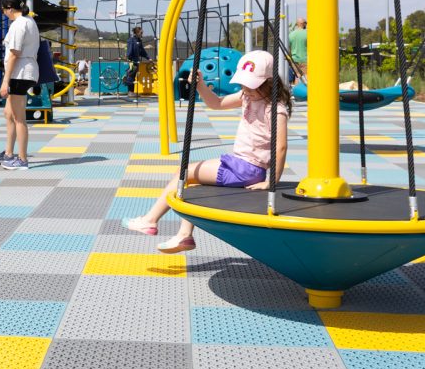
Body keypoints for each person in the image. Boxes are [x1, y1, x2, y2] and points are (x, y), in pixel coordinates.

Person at [124, 49, 290, 253]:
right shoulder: (247, 96)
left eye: (252, 85)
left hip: (248, 168)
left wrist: (271, 181)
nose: (246, 88)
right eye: (244, 84)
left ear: (269, 83)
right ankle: (184, 236)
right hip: (240, 164)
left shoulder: (275, 109)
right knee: (191, 184)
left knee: (184, 173)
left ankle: (150, 220)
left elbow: (281, 147)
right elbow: (217, 103)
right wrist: (200, 85)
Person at [0, 0, 39, 170]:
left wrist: (5, 81)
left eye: (4, 10)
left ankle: (22, 159)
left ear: (10, 9)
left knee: (19, 118)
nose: (4, 14)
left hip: (20, 73)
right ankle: (8, 152)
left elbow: (14, 53)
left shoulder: (19, 24)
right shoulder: (29, 21)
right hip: (25, 71)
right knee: (8, 113)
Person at [123, 26, 149, 91]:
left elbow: (142, 51)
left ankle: (131, 91)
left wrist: (148, 58)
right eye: (141, 33)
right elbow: (130, 50)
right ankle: (130, 91)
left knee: (133, 75)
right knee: (131, 75)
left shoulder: (139, 41)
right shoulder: (131, 40)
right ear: (137, 33)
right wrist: (128, 58)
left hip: (136, 61)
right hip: (132, 61)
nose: (142, 34)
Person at [288, 17, 308, 83]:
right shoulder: (308, 33)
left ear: (297, 24)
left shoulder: (291, 34)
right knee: (306, 76)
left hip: (294, 60)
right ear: (304, 24)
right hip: (305, 59)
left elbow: (289, 49)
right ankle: (306, 92)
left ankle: (296, 92)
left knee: (297, 76)